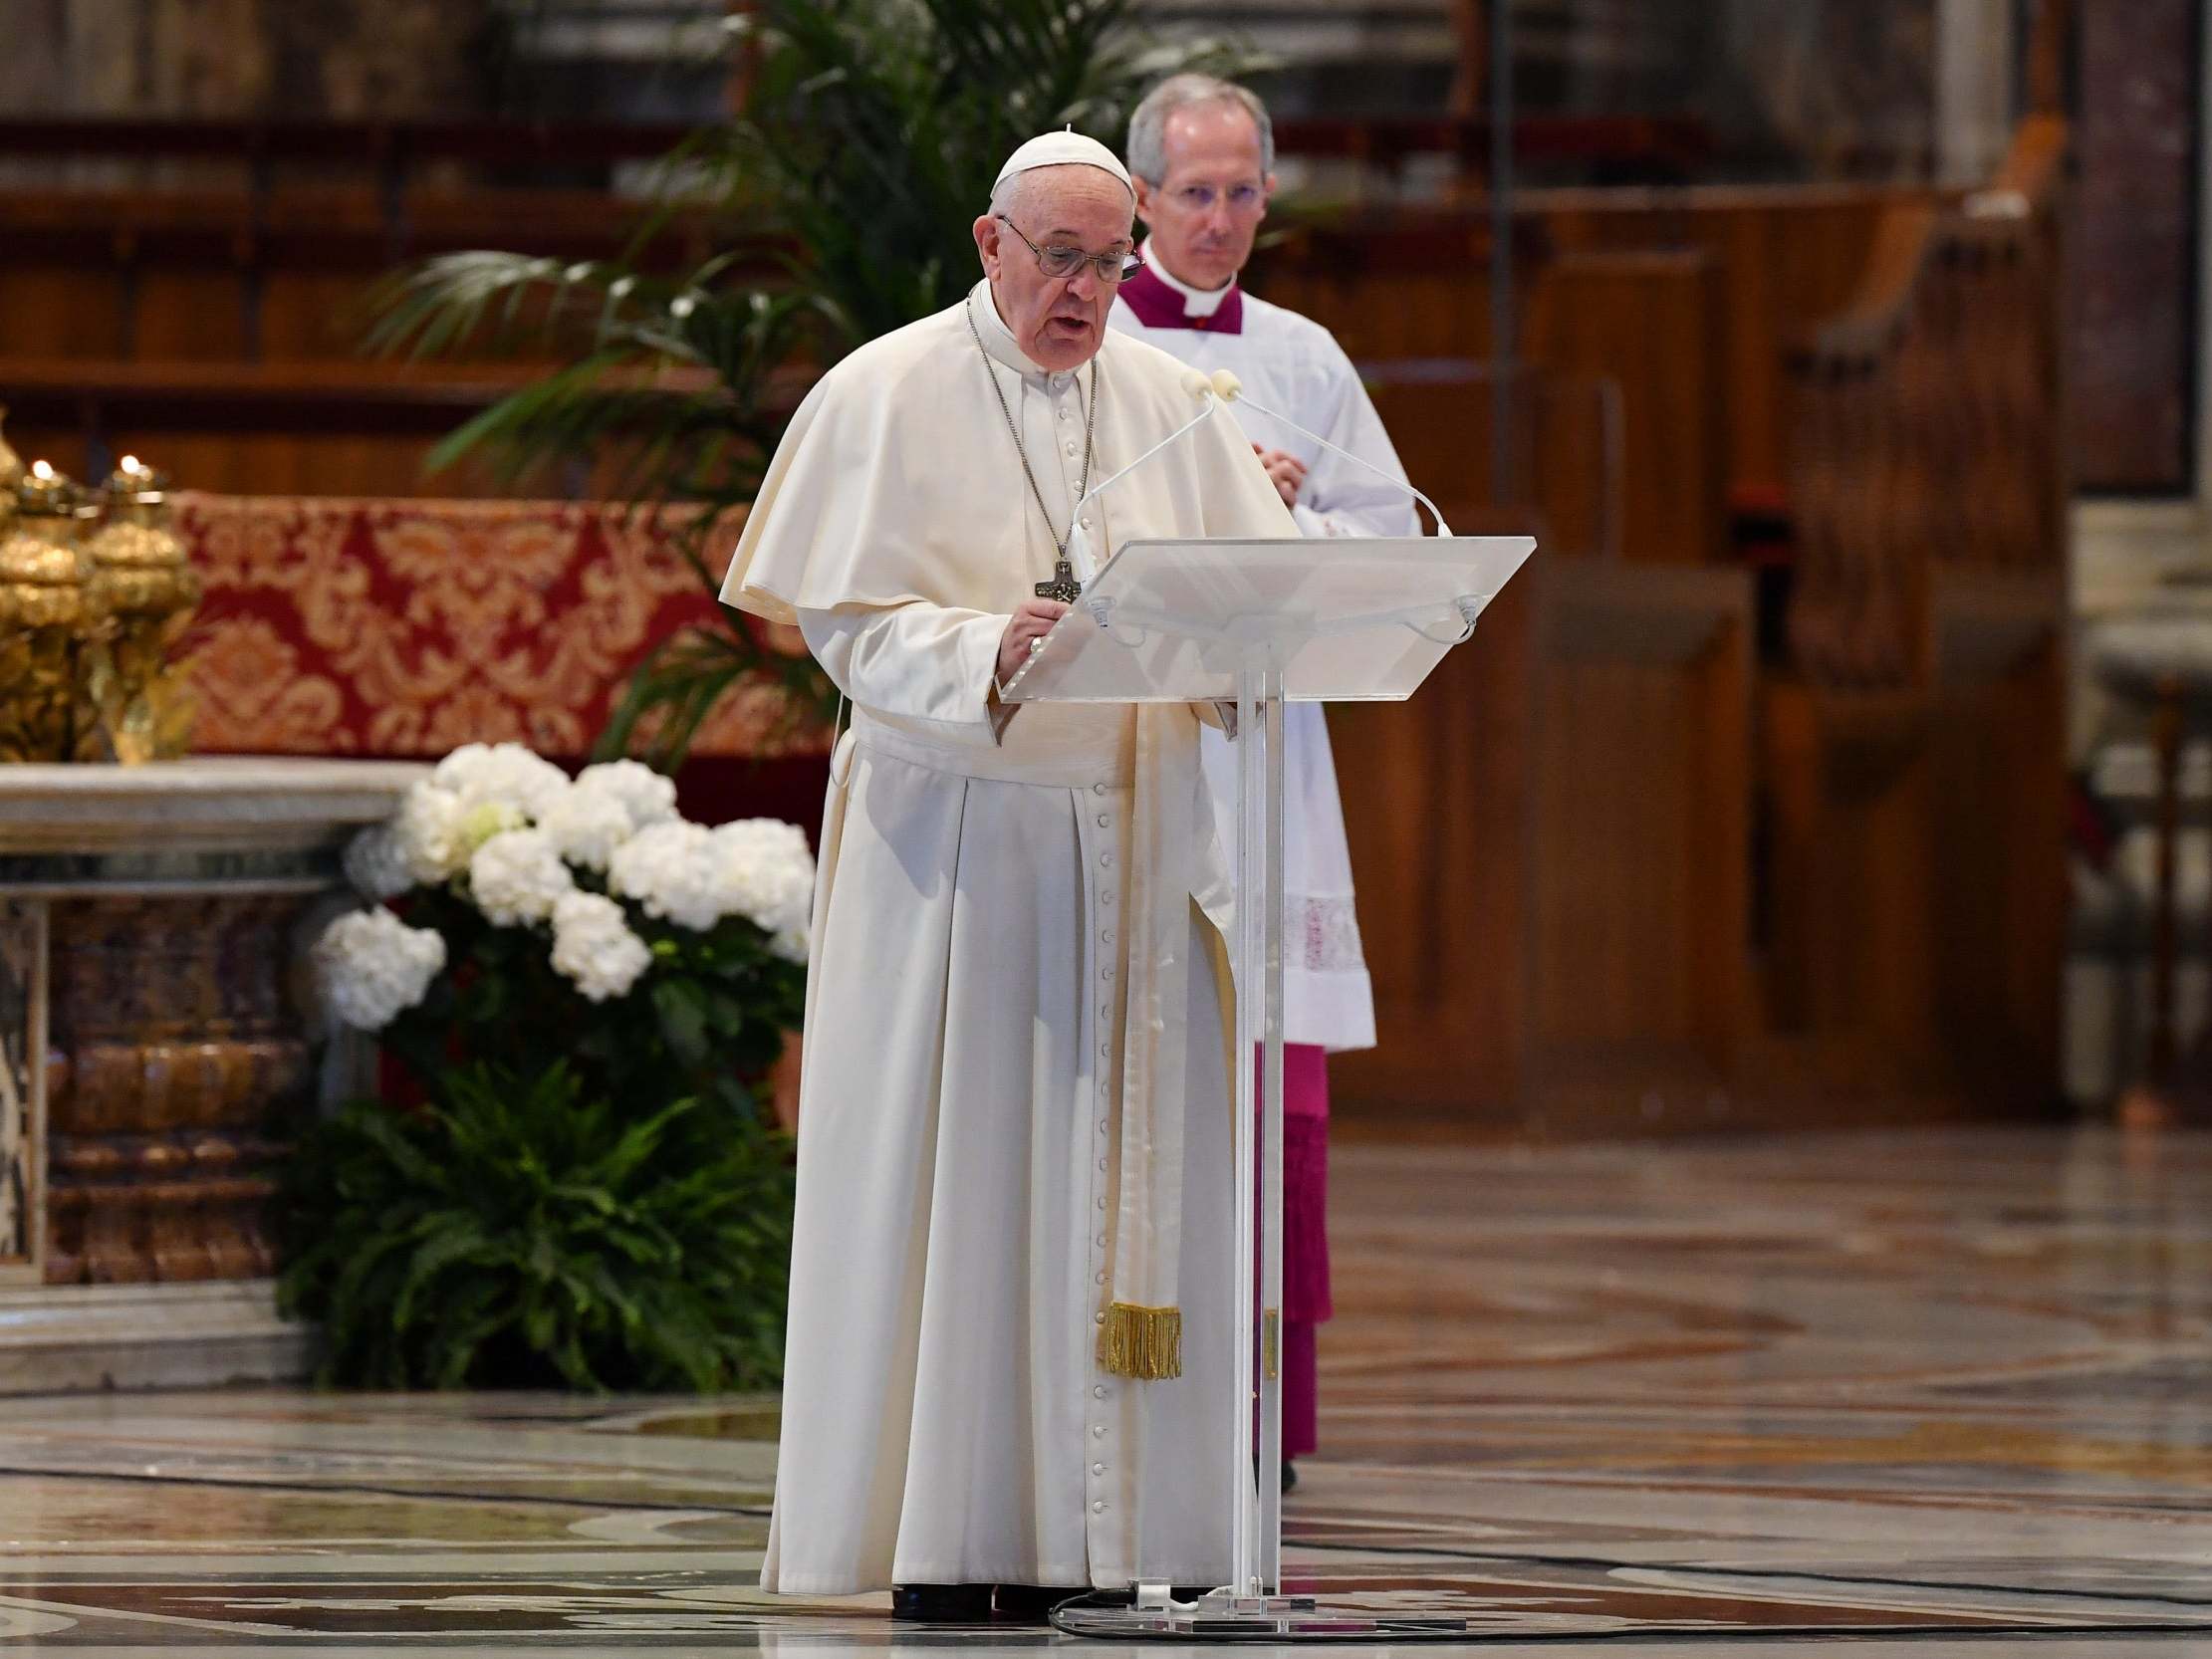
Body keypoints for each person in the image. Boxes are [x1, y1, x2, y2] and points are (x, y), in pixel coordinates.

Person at [719, 130, 1299, 1622]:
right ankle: (952, 1534)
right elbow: (842, 626)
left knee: (1124, 1191)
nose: (1091, 290)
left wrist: (1262, 610)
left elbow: (1250, 616)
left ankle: (1132, 1540)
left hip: (1139, 843)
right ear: (990, 243)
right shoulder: (886, 388)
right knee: (967, 1190)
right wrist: (986, 647)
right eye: (1062, 257)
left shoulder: (1176, 403)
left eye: (1112, 261)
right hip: (963, 859)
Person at [1111, 75, 1414, 1489]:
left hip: (1270, 749)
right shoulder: (1083, 336)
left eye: (1242, 193)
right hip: (1134, 743)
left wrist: (1287, 493)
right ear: (1139, 203)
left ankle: (1258, 1416)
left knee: (1268, 1072)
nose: (1222, 219)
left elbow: (1389, 530)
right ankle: (1118, 1396)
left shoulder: (1300, 350)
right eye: (1195, 193)